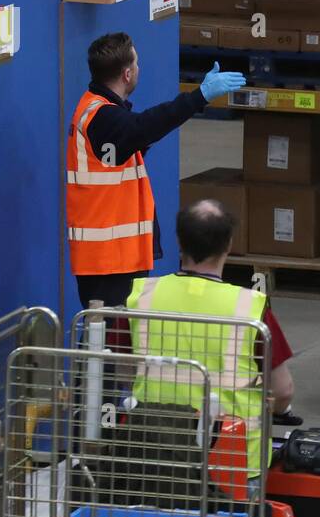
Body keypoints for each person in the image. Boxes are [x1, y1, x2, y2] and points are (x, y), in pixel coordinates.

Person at [66, 31, 245, 309]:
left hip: (117, 258)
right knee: (101, 345)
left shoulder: (106, 112)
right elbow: (144, 127)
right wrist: (199, 97)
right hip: (106, 262)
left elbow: (132, 139)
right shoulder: (102, 116)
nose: (139, 69)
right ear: (127, 74)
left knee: (116, 342)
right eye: (136, 64)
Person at [125, 200, 298, 486]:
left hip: (154, 453)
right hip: (234, 463)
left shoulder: (143, 297)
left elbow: (119, 371)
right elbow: (283, 390)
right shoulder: (250, 308)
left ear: (179, 241)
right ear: (228, 245)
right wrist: (276, 410)